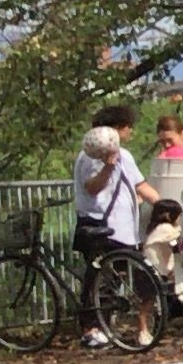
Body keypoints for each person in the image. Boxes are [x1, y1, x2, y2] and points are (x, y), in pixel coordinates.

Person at [72, 106, 146, 349]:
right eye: (126, 127)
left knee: (117, 278)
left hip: (124, 228)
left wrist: (169, 205)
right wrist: (108, 166)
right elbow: (92, 187)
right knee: (97, 277)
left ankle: (107, 325)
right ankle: (90, 329)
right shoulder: (91, 155)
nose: (130, 131)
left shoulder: (126, 155)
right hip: (98, 224)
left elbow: (140, 185)